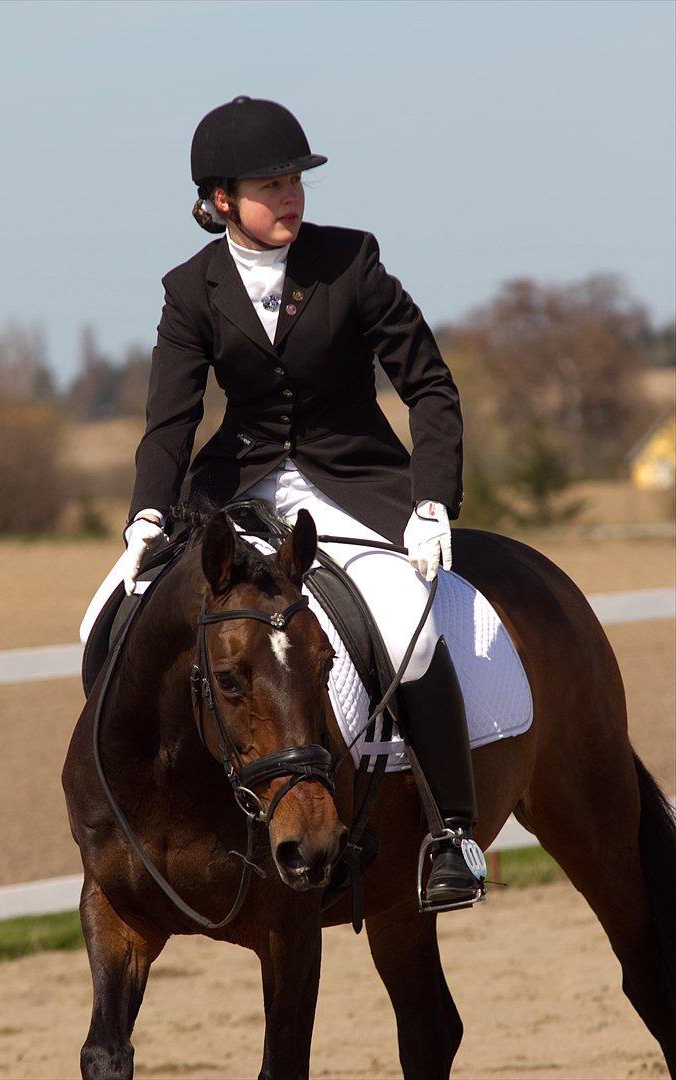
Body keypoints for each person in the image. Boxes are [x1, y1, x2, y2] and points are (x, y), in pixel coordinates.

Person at [90, 95, 485, 910]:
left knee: (407, 629)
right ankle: (141, 810)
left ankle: (453, 834)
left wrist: (431, 501)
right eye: (271, 185)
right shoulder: (189, 289)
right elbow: (169, 418)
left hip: (354, 480)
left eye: (296, 181)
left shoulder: (352, 263)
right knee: (104, 618)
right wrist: (147, 516)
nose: (291, 197)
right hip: (235, 487)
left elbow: (430, 389)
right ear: (219, 199)